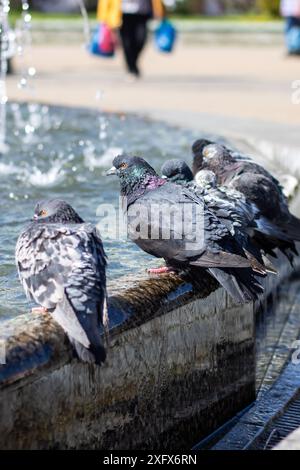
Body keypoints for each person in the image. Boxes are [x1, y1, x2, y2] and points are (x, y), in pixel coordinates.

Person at [97, 0, 165, 78]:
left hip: (142, 12)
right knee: (127, 43)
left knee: (141, 39)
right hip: (122, 13)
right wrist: (103, 16)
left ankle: (133, 63)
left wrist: (159, 11)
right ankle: (131, 67)